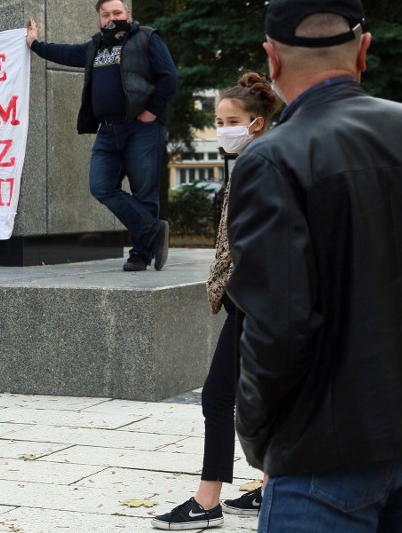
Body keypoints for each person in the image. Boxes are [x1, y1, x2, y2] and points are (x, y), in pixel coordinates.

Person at [226, 0, 402, 533]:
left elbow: (279, 324)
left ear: (271, 59)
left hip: (324, 447)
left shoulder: (271, 159)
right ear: (363, 50)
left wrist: (259, 432)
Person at [151, 72, 281, 530]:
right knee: (260, 395)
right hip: (253, 301)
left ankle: (207, 502)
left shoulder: (260, 164)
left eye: (232, 119)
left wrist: (241, 293)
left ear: (257, 122)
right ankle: (270, 487)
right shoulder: (254, 159)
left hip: (253, 302)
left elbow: (264, 240)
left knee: (218, 396)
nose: (223, 127)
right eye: (219, 119)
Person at [25, 0, 178, 272]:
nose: (112, 18)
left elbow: (170, 78)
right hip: (108, 132)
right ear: (99, 19)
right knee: (101, 186)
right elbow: (65, 53)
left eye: (117, 13)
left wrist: (151, 112)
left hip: (141, 128)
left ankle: (141, 255)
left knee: (144, 192)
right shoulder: (95, 47)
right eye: (106, 14)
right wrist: (35, 44)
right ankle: (154, 229)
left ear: (127, 14)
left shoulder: (146, 37)